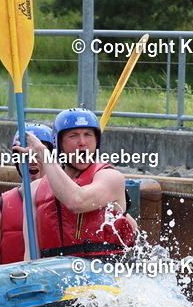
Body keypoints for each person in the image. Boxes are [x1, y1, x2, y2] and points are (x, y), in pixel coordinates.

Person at [21, 108, 136, 259]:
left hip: (103, 271)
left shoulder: (111, 178)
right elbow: (31, 254)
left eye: (88, 135)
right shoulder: (34, 189)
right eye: (73, 136)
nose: (82, 143)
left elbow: (76, 202)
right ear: (59, 144)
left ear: (96, 142)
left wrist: (43, 154)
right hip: (54, 272)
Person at [0, 123, 53, 267]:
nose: (32, 160)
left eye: (38, 154)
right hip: (13, 286)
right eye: (24, 154)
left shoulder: (68, 202)